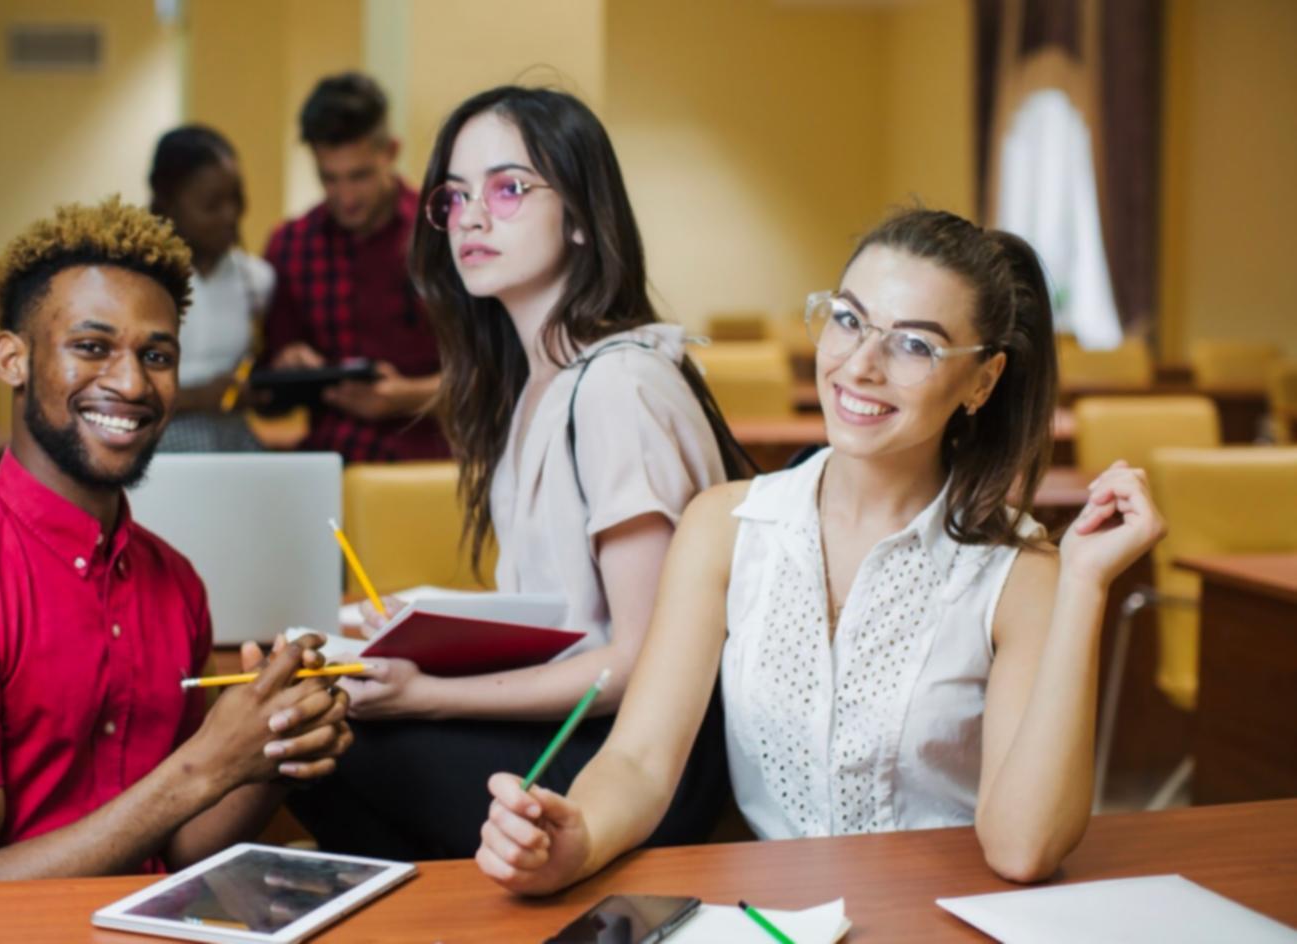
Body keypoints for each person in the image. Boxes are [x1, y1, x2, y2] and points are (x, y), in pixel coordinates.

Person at [476, 209, 1168, 893]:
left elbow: (1023, 850)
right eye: (847, 319)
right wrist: (580, 836)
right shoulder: (726, 526)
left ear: (981, 381)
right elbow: (639, 760)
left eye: (914, 345)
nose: (859, 366)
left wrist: (1083, 585)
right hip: (778, 918)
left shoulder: (1019, 572)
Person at [285, 86, 754, 861]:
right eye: (455, 196)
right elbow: (574, 615)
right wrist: (430, 625)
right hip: (581, 724)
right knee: (310, 721)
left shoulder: (616, 387)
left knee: (317, 748)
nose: (471, 217)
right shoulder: (532, 382)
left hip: (639, 764)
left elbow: (639, 659)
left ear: (578, 215)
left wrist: (429, 697)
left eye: (507, 189)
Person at [0, 198, 352, 896]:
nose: (130, 383)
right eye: (91, 347)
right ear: (13, 358)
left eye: (157, 355)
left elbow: (177, 846)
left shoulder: (173, 582)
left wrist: (269, 748)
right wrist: (203, 765)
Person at [259, 72, 449, 462]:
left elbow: (501, 380)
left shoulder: (444, 237)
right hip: (330, 472)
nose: (346, 198)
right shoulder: (291, 246)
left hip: (430, 472)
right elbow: (266, 400)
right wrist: (289, 367)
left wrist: (408, 397)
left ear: (391, 152)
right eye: (330, 178)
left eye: (359, 176)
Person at [149, 125, 273, 452]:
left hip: (232, 444)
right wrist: (196, 397)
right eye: (212, 204)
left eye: (236, 198)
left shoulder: (257, 280)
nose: (230, 215)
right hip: (155, 448)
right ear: (168, 203)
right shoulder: (137, 280)